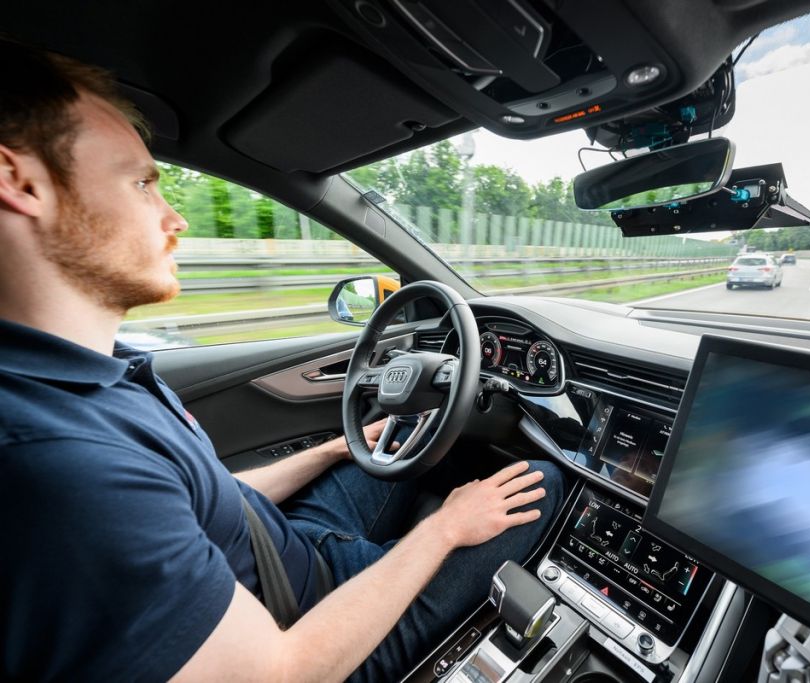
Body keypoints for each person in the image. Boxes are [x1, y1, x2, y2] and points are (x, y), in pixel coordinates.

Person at [0, 41, 564, 681]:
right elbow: (282, 671)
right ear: (19, 181)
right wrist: (444, 530)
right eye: (141, 182)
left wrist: (332, 451)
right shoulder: (59, 464)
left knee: (412, 439)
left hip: (291, 547)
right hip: (310, 626)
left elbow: (212, 502)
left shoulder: (95, 372)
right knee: (545, 483)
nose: (176, 217)